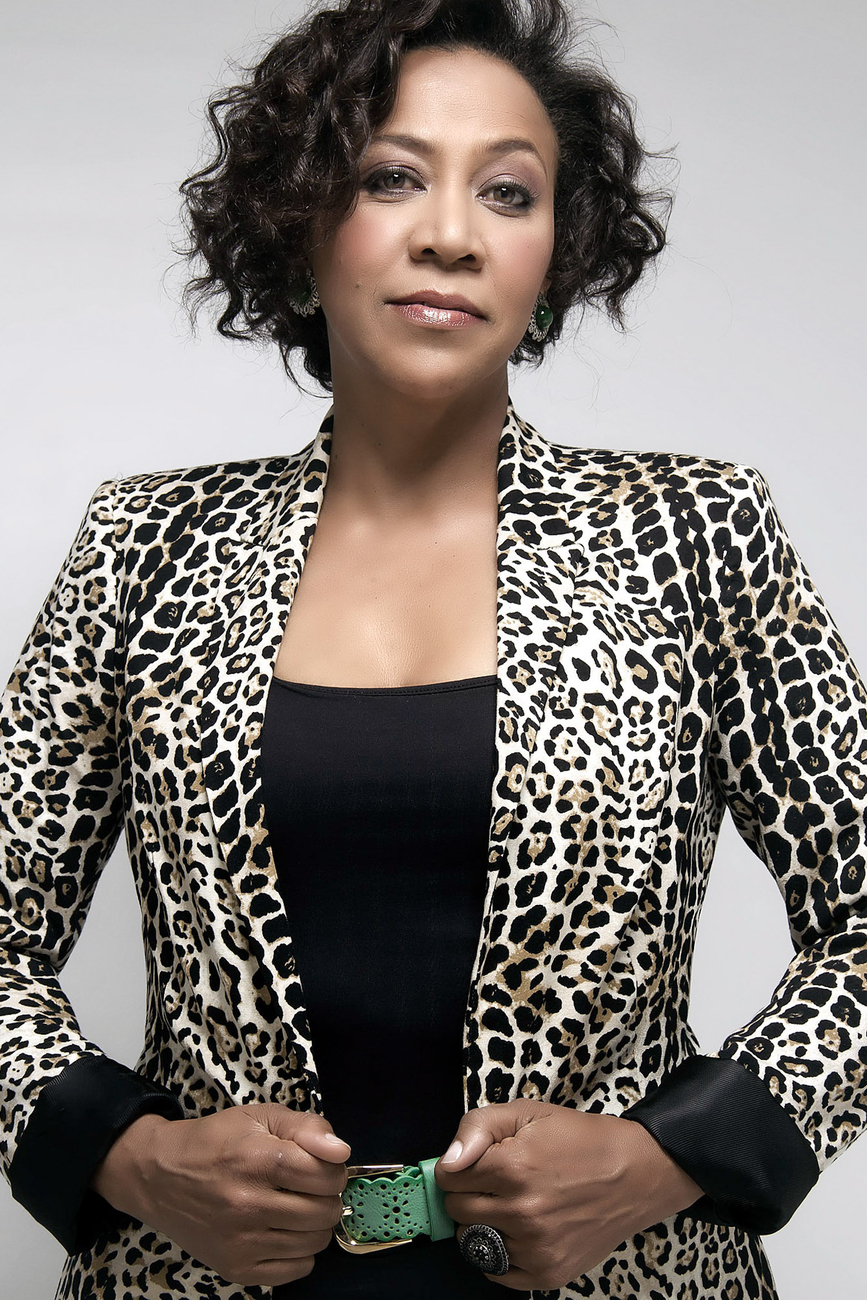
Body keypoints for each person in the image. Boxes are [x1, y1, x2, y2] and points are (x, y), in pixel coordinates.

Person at [0, 0, 864, 1297]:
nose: (451, 234)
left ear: (556, 253)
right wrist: (125, 1157)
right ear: (299, 220)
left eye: (508, 193)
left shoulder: (697, 536)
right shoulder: (144, 549)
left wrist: (671, 1157)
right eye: (390, 177)